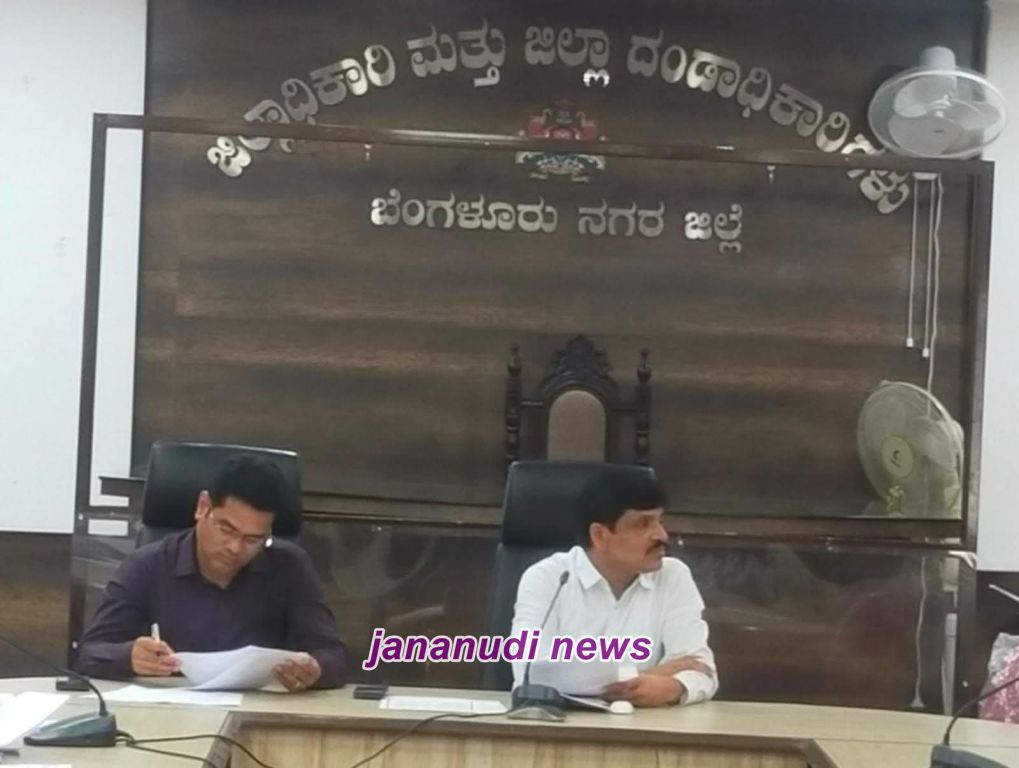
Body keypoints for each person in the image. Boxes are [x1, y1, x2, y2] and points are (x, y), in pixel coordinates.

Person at [76, 454, 347, 690]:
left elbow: (334, 655)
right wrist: (129, 657)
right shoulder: (147, 565)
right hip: (171, 713)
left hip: (257, 712)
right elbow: (89, 654)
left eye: (253, 539)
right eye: (227, 530)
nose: (235, 548)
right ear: (203, 507)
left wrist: (314, 669)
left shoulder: (289, 566)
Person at [510, 466, 717, 707]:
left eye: (660, 521)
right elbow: (530, 672)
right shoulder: (548, 578)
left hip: (645, 725)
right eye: (643, 524)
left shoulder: (673, 576)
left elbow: (701, 669)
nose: (661, 535)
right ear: (600, 535)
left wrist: (675, 687)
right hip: (561, 724)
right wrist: (643, 675)